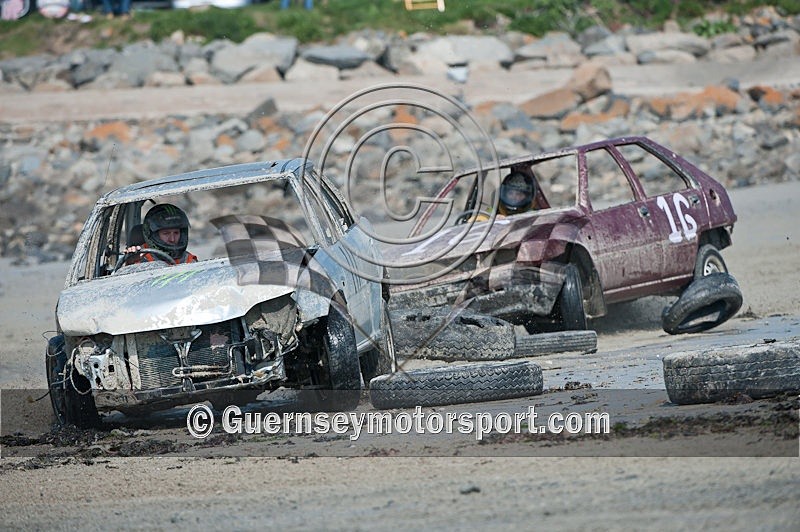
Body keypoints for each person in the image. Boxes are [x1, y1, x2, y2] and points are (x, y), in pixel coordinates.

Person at [125, 203, 197, 265]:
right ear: (154, 235)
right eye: (166, 233)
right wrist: (131, 262)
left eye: (176, 233)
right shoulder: (138, 257)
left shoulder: (188, 260)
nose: (172, 239)